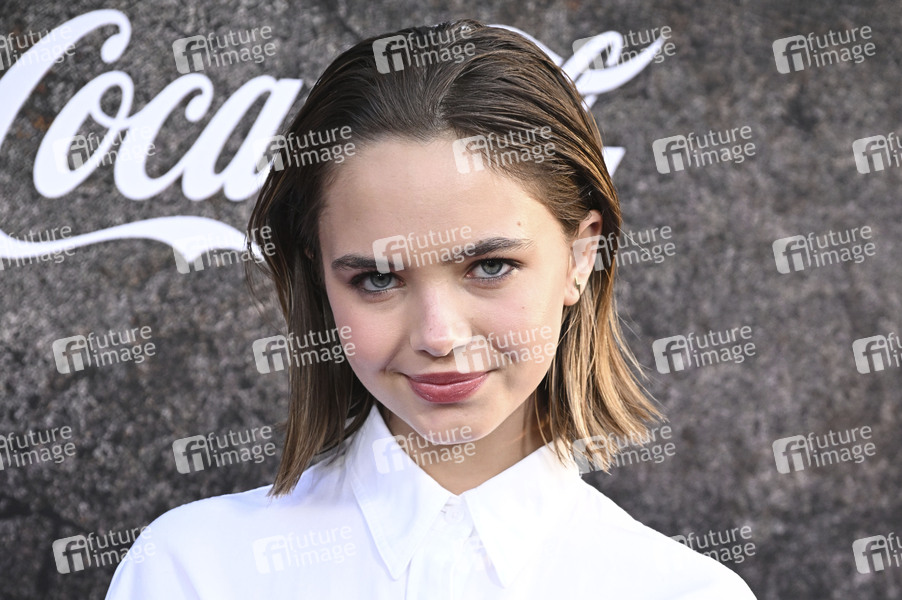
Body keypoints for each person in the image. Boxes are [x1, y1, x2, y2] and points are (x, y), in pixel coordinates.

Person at [106, 19, 757, 598]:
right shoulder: (191, 572)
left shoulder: (686, 592)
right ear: (319, 274)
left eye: (490, 267)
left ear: (582, 255)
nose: (439, 336)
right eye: (377, 279)